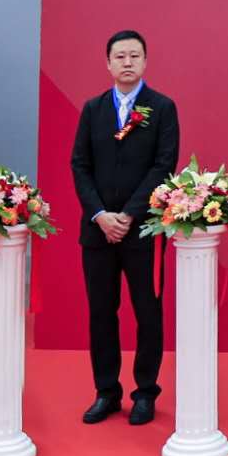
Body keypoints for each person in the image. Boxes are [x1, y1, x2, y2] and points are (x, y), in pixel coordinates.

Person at [70, 29, 179, 426]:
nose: (127, 62)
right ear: (108, 63)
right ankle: (106, 392)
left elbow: (164, 165)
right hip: (98, 231)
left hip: (142, 231)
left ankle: (145, 392)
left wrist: (129, 214)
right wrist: (100, 214)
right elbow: (80, 165)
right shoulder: (92, 109)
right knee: (102, 312)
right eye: (120, 56)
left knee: (147, 312)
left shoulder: (162, 108)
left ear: (145, 61)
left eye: (134, 55)